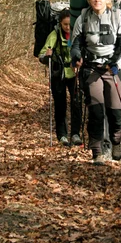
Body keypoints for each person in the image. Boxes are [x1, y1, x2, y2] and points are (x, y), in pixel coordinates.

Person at [70, 0, 121, 164]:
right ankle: (96, 152)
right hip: (91, 68)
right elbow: (75, 44)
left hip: (112, 69)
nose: (97, 0)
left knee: (115, 111)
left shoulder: (117, 17)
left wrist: (117, 65)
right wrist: (76, 57)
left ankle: (116, 141)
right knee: (96, 111)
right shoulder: (83, 18)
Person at [38, 9, 82, 146]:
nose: (68, 27)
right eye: (65, 24)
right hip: (59, 74)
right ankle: (62, 135)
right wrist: (47, 55)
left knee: (77, 104)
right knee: (60, 105)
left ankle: (75, 134)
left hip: (75, 74)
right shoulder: (54, 34)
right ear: (60, 24)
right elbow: (42, 55)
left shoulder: (77, 35)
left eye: (70, 24)